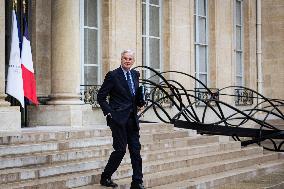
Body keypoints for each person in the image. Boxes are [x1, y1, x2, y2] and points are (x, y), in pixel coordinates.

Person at [97, 50, 145, 189]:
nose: (127, 61)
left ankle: (137, 182)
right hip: (118, 119)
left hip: (132, 119)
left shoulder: (135, 75)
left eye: (130, 59)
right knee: (120, 150)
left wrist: (140, 102)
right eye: (125, 58)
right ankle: (105, 177)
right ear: (121, 59)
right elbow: (101, 97)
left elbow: (132, 96)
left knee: (135, 150)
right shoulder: (113, 75)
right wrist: (109, 113)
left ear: (133, 61)